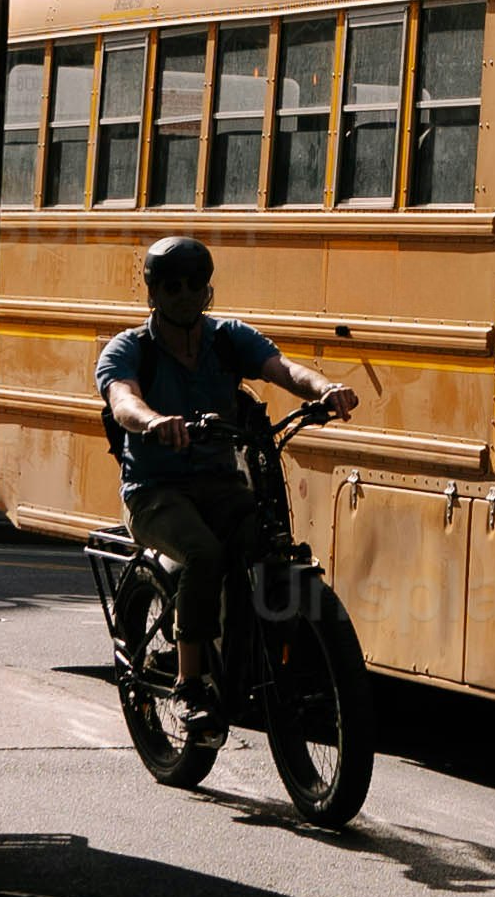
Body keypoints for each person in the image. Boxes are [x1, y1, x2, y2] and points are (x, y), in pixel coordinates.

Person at [94, 234, 354, 725]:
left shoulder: (226, 338)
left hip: (220, 484)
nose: (186, 295)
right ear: (153, 293)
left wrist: (326, 389)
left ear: (208, 291)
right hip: (154, 493)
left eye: (196, 285)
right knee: (203, 553)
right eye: (173, 286)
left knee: (269, 542)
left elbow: (283, 369)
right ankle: (190, 685)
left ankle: (261, 653)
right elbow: (122, 400)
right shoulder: (129, 349)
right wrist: (152, 421)